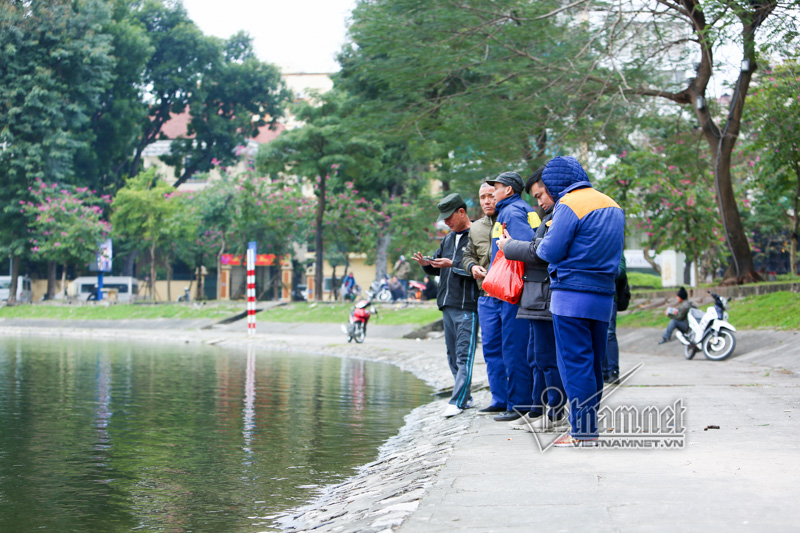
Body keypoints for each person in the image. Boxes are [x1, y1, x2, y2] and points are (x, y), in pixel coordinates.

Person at [533, 156, 625, 447]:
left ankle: (582, 432)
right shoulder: (612, 204)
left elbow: (551, 250)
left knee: (574, 363)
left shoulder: (569, 204)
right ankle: (589, 427)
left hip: (570, 297)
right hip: (602, 297)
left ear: (556, 183)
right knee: (594, 364)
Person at [499, 168, 567, 432]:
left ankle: (555, 413)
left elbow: (541, 252)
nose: (538, 202)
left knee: (547, 357)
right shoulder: (548, 215)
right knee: (537, 356)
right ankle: (542, 411)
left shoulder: (554, 215)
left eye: (540, 195)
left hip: (544, 295)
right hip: (536, 296)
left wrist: (508, 247)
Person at [413, 193, 479, 418]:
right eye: (444, 219)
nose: (446, 222)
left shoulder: (477, 235)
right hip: (447, 304)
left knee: (464, 355)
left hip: (467, 305)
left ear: (462, 212)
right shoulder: (448, 238)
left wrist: (453, 263)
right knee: (452, 355)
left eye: (449, 217)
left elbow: (478, 268)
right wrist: (426, 264)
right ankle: (466, 397)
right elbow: (438, 265)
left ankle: (458, 400)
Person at [484, 171, 535, 423]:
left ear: (510, 190)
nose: (493, 191)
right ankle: (522, 401)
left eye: (497, 187)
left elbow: (525, 248)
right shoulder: (516, 209)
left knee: (514, 347)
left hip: (515, 291)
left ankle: (519, 404)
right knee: (516, 346)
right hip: (518, 289)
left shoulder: (512, 212)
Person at [462, 182, 507, 414]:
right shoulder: (476, 227)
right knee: (490, 349)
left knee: (513, 348)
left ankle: (519, 400)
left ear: (501, 194)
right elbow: (467, 254)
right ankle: (499, 399)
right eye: (482, 197)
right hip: (486, 296)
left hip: (510, 296)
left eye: (491, 195)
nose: (487, 201)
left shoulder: (513, 218)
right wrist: (472, 267)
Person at [603, 255, 626, 384]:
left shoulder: (615, 246)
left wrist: (604, 269)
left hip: (610, 296)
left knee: (610, 333)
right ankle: (603, 371)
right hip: (595, 294)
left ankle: (613, 371)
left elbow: (621, 270)